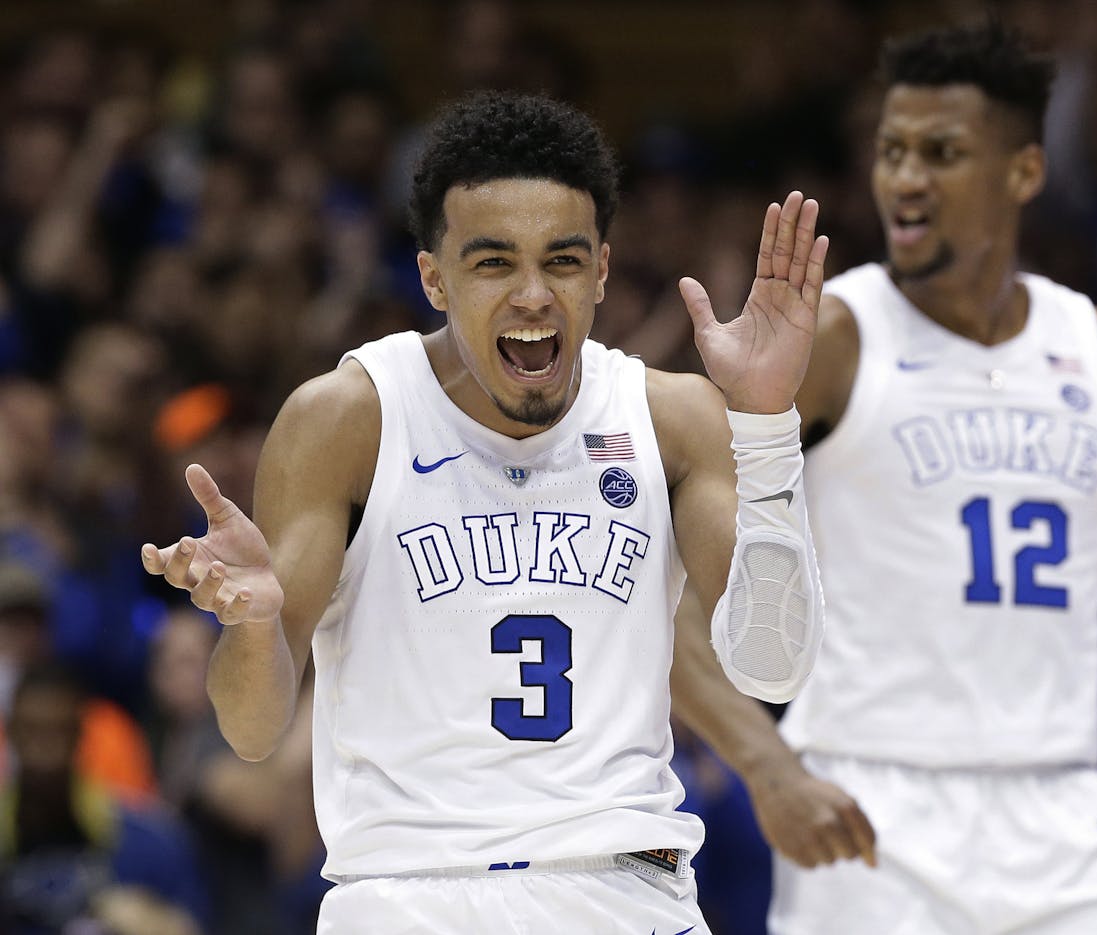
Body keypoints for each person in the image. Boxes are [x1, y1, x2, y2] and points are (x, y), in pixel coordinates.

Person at [140, 91, 829, 933]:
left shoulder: (670, 417)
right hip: (408, 889)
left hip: (622, 885)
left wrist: (764, 426)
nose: (534, 294)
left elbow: (774, 670)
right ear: (434, 276)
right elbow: (252, 729)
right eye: (495, 262)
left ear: (603, 270)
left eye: (563, 261)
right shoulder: (346, 419)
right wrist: (254, 624)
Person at [672, 23, 1097, 933]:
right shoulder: (835, 341)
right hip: (867, 805)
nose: (906, 177)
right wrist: (768, 765)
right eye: (892, 151)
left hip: (1061, 809)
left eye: (942, 152)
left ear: (1024, 172)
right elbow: (666, 586)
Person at [0, 663, 206, 935]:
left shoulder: (149, 842)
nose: (43, 749)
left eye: (58, 731)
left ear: (80, 736)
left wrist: (157, 923)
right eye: (31, 731)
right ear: (12, 733)